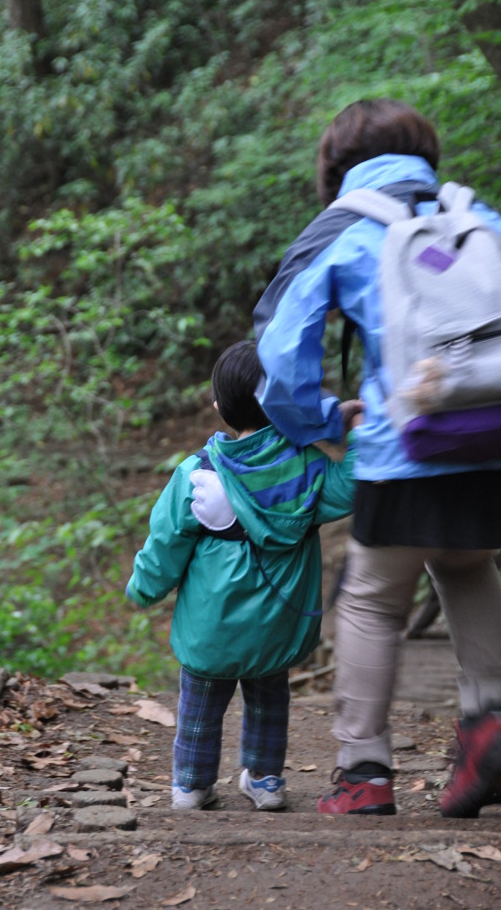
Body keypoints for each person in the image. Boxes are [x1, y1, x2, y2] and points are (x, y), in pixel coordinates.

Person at [254, 98, 501, 818]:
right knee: (468, 566)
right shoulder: (475, 214)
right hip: (491, 442)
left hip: (405, 447)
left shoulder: (343, 226)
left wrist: (319, 419)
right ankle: (489, 729)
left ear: (334, 166)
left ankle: (363, 772)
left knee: (369, 599)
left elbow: (278, 355)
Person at [126, 340, 359, 811]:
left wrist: (143, 588)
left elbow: (165, 543)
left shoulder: (196, 474)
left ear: (219, 407)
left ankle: (191, 784)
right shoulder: (307, 467)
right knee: (269, 701)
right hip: (277, 627)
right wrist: (357, 432)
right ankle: (266, 780)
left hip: (211, 627)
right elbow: (353, 486)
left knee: (200, 708)